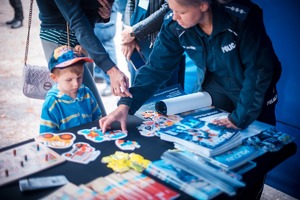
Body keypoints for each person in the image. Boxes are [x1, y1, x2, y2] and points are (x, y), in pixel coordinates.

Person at [100, 0, 282, 198]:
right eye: (171, 9)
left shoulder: (242, 18)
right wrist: (127, 104)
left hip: (255, 95)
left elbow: (258, 73)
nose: (175, 17)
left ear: (203, 5)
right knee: (216, 159)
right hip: (215, 90)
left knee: (254, 163)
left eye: (181, 11)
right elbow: (156, 69)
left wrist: (240, 118)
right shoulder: (174, 23)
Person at [36, 0, 132, 108]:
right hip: (63, 41)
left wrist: (102, 14)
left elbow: (82, 11)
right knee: (82, 107)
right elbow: (77, 20)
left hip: (84, 41)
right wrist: (111, 70)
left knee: (89, 106)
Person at [40, 45, 102, 133]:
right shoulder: (52, 103)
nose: (76, 84)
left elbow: (97, 119)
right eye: (69, 80)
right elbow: (46, 136)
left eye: (79, 77)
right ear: (54, 77)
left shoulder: (86, 93)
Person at [121, 0, 175, 86]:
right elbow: (130, 2)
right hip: (135, 40)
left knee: (162, 89)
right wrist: (128, 31)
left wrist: (135, 31)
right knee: (138, 84)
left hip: (158, 40)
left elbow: (170, 7)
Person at [94, 2, 119, 96]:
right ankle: (99, 73)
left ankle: (112, 83)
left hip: (104, 4)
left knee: (105, 40)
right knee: (97, 39)